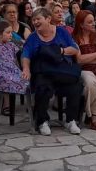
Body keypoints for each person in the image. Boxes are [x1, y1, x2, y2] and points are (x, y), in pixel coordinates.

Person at [21, 7, 83, 136]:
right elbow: (25, 54)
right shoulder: (33, 37)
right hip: (44, 71)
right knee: (42, 86)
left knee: (76, 85)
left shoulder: (61, 32)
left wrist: (60, 51)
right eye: (33, 20)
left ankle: (71, 120)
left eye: (38, 19)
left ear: (48, 19)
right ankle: (42, 121)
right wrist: (26, 69)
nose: (35, 22)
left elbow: (74, 49)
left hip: (62, 70)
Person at [0, 21, 30, 104]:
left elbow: (15, 61)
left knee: (26, 81)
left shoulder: (12, 45)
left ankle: (22, 104)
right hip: (0, 72)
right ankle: (6, 104)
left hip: (12, 71)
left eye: (11, 32)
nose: (11, 35)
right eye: (8, 33)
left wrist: (21, 71)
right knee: (7, 80)